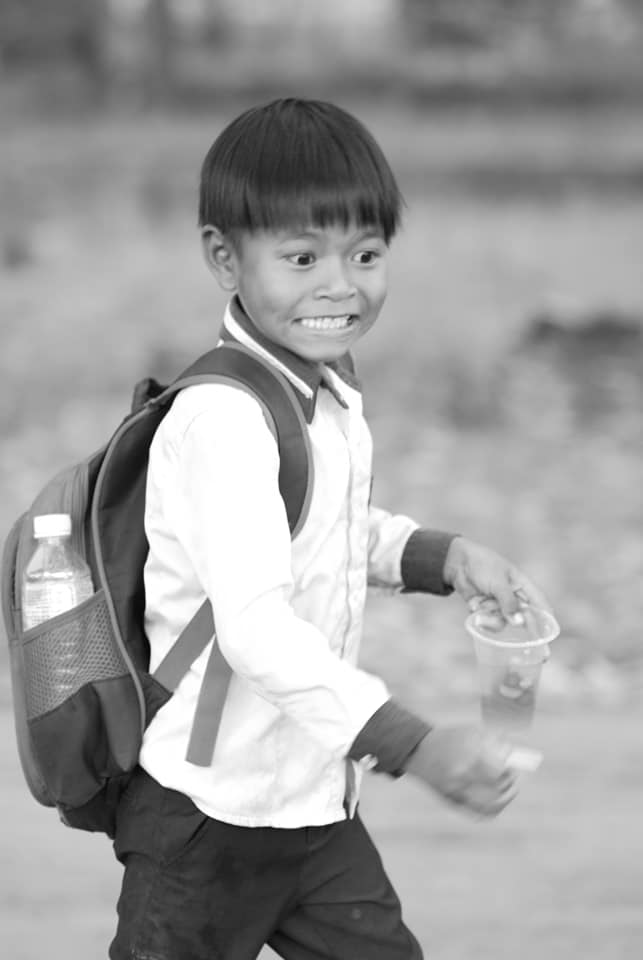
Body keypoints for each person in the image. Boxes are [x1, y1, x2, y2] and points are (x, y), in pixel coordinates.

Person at [110, 98, 551, 960]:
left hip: (312, 802)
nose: (339, 284)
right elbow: (255, 629)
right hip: (205, 813)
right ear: (224, 258)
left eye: (366, 254)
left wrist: (443, 558)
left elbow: (325, 528)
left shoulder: (324, 393)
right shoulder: (222, 419)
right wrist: (414, 746)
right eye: (302, 257)